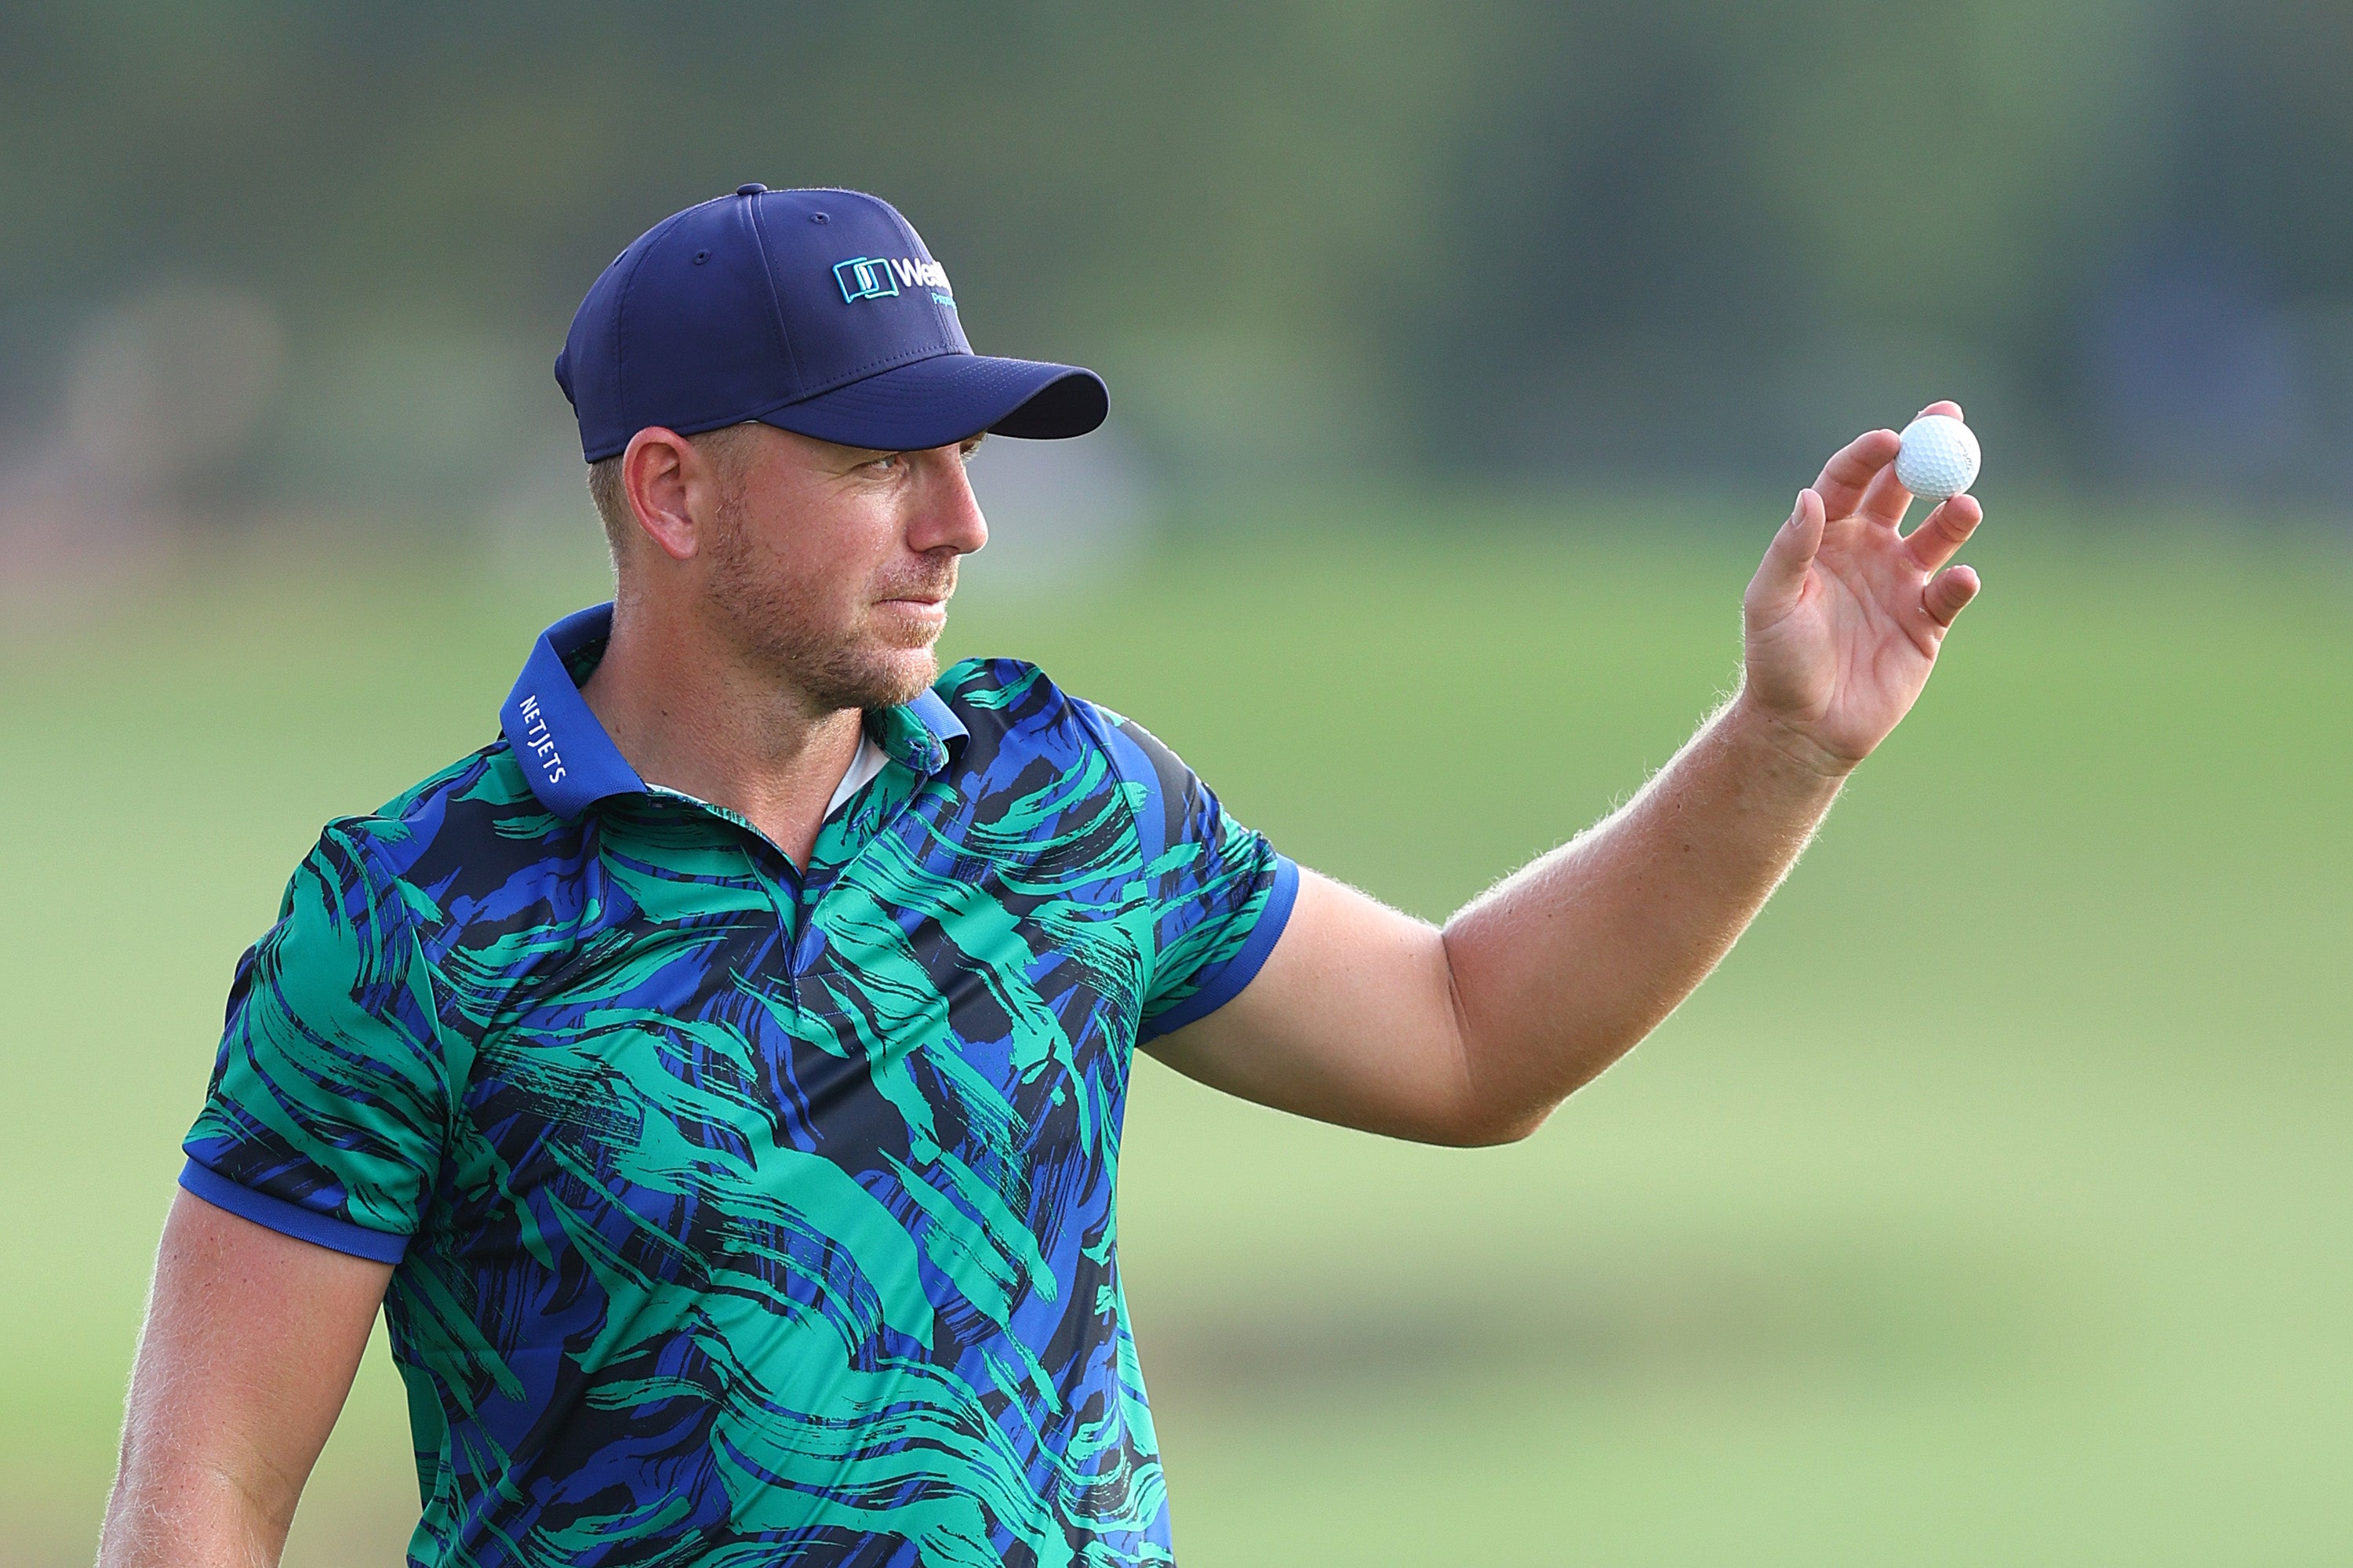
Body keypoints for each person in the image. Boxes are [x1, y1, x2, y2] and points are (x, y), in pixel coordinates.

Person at [98, 185, 1983, 1568]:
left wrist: (1781, 746)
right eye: (879, 460)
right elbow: (207, 1502)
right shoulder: (408, 921)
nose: (965, 520)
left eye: (967, 453)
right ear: (672, 493)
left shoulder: (1058, 797)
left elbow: (1472, 1034)